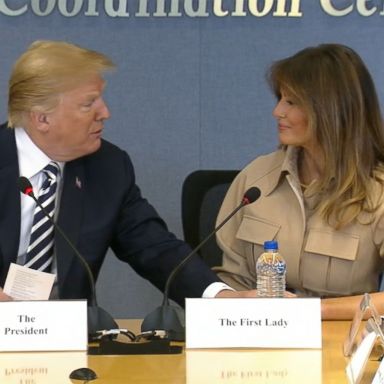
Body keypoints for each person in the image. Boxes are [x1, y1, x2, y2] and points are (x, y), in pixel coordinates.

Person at [0, 40, 255, 304]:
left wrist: (222, 298)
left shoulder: (107, 167)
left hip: (67, 334)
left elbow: (155, 247)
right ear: (42, 118)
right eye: (88, 104)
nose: (105, 113)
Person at [214, 43, 384, 319]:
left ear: (331, 110)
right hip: (259, 339)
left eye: (291, 102)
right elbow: (232, 283)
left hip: (339, 343)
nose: (277, 112)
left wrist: (312, 311)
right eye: (280, 99)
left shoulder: (378, 190)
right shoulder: (256, 177)